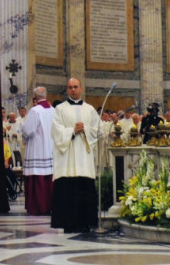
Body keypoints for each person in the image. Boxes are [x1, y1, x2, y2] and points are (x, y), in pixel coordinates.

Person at [50, 78, 99, 233]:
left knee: (85, 189)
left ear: (81, 89)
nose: (73, 90)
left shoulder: (90, 109)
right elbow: (56, 131)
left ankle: (86, 223)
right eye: (70, 87)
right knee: (67, 191)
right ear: (67, 90)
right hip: (67, 158)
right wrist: (72, 131)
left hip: (84, 156)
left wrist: (86, 129)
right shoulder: (60, 109)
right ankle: (68, 223)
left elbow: (98, 130)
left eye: (76, 87)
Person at [20, 86, 55, 215]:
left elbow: (28, 130)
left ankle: (37, 207)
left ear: (35, 98)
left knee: (37, 176)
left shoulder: (35, 111)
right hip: (50, 148)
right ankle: (49, 206)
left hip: (37, 148)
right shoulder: (53, 110)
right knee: (48, 178)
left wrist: (22, 129)